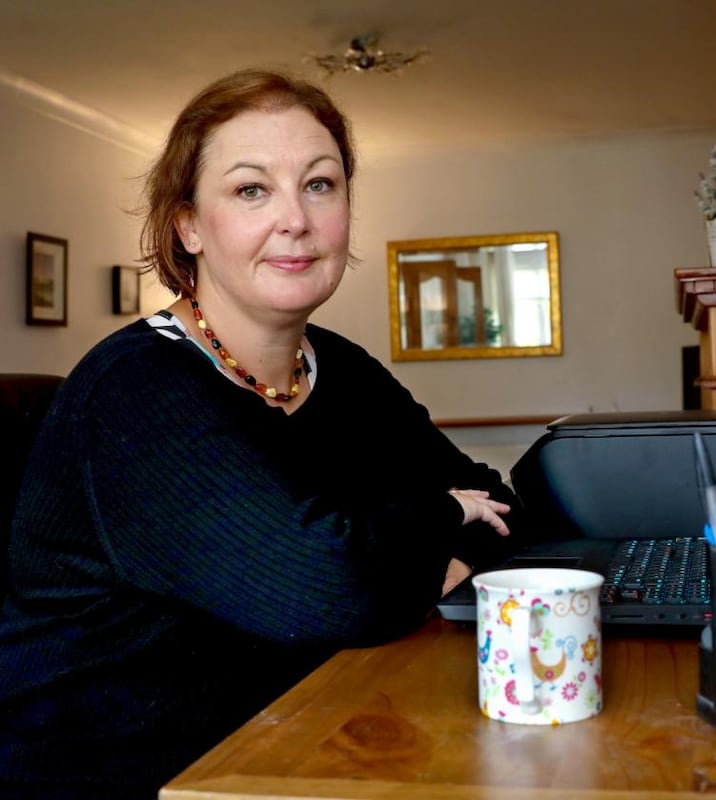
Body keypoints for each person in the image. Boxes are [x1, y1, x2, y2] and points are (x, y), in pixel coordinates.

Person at [0, 69, 527, 799]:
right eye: (252, 190)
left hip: (293, 737)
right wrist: (437, 522)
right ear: (188, 225)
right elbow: (325, 593)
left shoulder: (340, 368)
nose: (296, 220)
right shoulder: (136, 390)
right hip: (113, 776)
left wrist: (405, 556)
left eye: (320, 184)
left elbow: (498, 505)